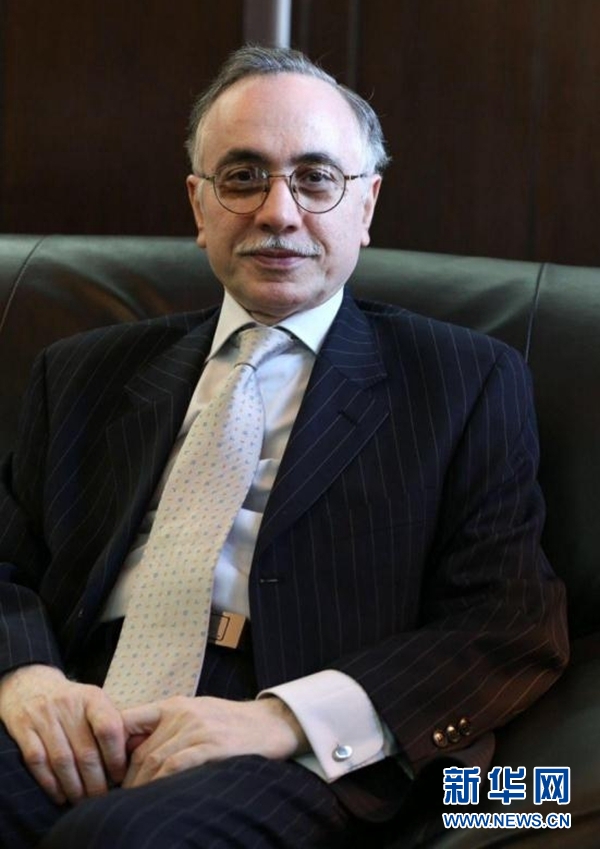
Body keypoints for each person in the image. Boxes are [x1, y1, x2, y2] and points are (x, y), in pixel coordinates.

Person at [0, 45, 568, 849]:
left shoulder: (464, 380)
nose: (277, 212)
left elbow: (508, 620)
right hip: (77, 706)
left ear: (366, 205)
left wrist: (281, 720)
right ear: (199, 206)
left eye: (315, 178)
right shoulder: (84, 370)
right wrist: (24, 677)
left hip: (286, 742)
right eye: (242, 177)